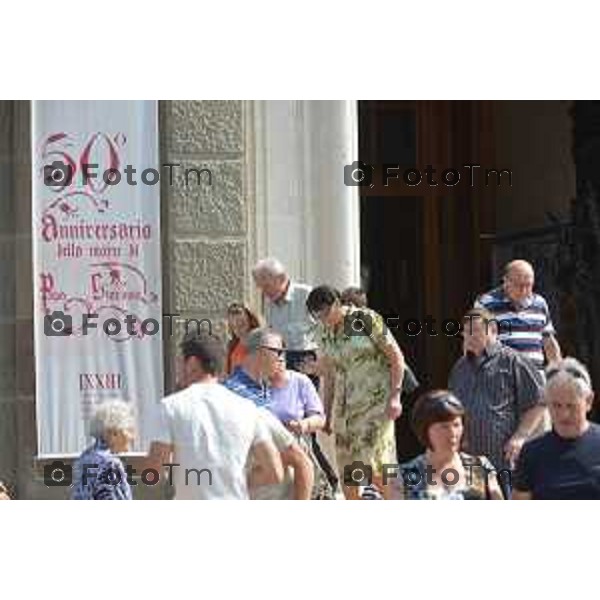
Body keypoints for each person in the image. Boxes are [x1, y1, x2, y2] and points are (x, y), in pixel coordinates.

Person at [146, 332, 284, 500]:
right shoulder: (248, 408)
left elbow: (153, 473)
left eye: (179, 361)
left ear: (192, 363)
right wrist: (239, 482)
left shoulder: (170, 407)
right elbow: (275, 472)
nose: (177, 368)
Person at [306, 285, 405, 500]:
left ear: (335, 304)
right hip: (345, 412)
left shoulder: (365, 319)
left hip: (375, 406)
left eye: (323, 313)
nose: (321, 319)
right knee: (348, 472)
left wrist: (396, 396)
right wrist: (327, 413)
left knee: (376, 466)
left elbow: (396, 357)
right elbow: (331, 373)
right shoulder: (323, 331)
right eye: (316, 316)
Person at [448, 308, 546, 482]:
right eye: (465, 332)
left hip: (503, 459)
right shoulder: (459, 368)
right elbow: (452, 408)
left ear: (493, 330)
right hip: (468, 460)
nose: (469, 336)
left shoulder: (513, 360)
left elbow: (539, 401)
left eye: (474, 330)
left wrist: (521, 436)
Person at [223, 328, 314, 499]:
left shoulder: (261, 388)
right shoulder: (239, 394)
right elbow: (297, 458)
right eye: (279, 352)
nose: (282, 359)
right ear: (262, 352)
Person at [389, 390, 505, 500]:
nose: (452, 433)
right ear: (424, 430)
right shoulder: (403, 475)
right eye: (444, 427)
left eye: (456, 425)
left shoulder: (480, 466)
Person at [513, 358, 600, 499]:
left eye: (571, 406)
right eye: (556, 405)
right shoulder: (531, 453)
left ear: (589, 401)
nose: (563, 415)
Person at [475, 259, 562, 373]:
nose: (524, 290)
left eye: (528, 285)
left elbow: (549, 341)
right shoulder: (485, 303)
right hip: (502, 377)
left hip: (535, 377)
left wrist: (558, 371)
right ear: (505, 281)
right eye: (519, 285)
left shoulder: (540, 303)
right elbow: (475, 341)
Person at [268, 358, 336, 499]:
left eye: (282, 358)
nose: (279, 363)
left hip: (296, 448)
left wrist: (303, 425)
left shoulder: (300, 381)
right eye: (274, 359)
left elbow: (319, 418)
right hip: (266, 454)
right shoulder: (252, 384)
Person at [252, 257, 317, 377]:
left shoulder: (306, 295)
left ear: (281, 278)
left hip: (305, 360)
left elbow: (325, 328)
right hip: (280, 360)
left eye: (266, 286)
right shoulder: (267, 302)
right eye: (260, 288)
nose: (264, 293)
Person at [71, 399, 136, 500]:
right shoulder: (109, 464)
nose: (132, 437)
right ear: (113, 432)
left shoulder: (85, 457)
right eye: (129, 430)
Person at [225, 302, 262, 375]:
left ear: (251, 321)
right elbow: (227, 372)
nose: (238, 330)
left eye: (241, 324)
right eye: (234, 326)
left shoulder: (261, 342)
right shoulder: (232, 345)